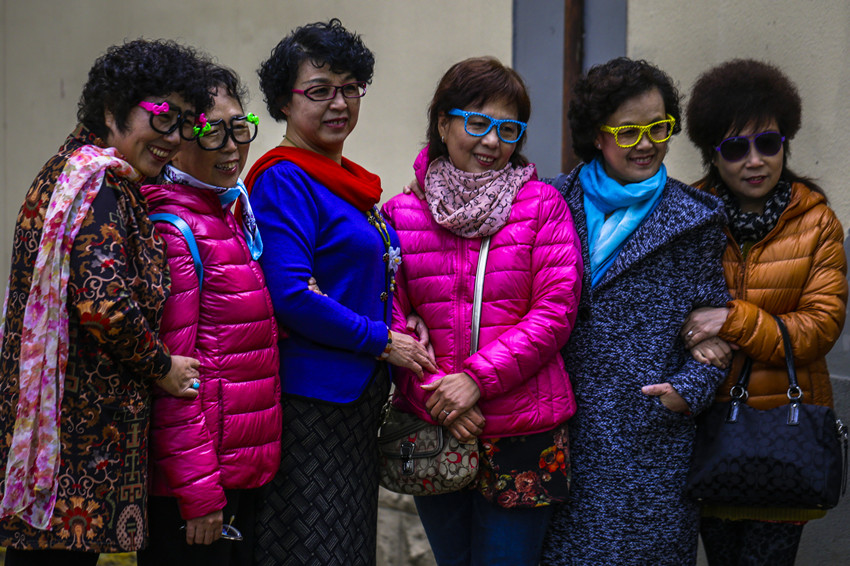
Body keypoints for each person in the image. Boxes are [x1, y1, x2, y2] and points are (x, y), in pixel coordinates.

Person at [0, 39, 211, 566]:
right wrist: (162, 367)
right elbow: (106, 306)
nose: (174, 138)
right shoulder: (97, 188)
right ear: (113, 109)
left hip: (70, 439)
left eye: (185, 124)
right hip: (77, 446)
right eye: (162, 117)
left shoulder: (77, 174)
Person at [245, 19, 435, 566]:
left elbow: (360, 280)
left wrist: (401, 319)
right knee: (313, 551)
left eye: (350, 88)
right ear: (285, 101)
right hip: (311, 405)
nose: (339, 103)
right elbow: (291, 295)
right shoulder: (284, 179)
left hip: (353, 404)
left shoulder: (345, 180)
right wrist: (383, 341)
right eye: (320, 90)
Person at [382, 56, 582, 566]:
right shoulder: (400, 213)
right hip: (435, 425)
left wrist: (474, 380)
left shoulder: (543, 206)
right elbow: (389, 318)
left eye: (508, 129)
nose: (492, 141)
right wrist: (438, 396)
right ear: (442, 123)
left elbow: (555, 311)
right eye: (477, 123)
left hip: (524, 430)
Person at [538, 57, 730, 565]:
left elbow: (715, 331)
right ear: (595, 135)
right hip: (559, 435)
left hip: (648, 448)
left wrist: (684, 394)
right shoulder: (549, 202)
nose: (646, 144)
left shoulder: (695, 220)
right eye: (628, 132)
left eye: (658, 128)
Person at [682, 58, 848, 566]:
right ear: (714, 155)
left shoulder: (817, 222)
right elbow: (665, 309)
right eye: (736, 148)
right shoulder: (687, 216)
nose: (754, 161)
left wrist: (728, 321)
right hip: (708, 438)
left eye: (768, 143)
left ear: (785, 143)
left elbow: (819, 327)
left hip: (787, 440)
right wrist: (691, 333)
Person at [135, 65, 281, 566]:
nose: (231, 146)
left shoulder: (224, 214)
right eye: (211, 131)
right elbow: (172, 378)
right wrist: (199, 495)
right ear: (176, 141)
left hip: (235, 471)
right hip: (195, 488)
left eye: (239, 128)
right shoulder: (175, 230)